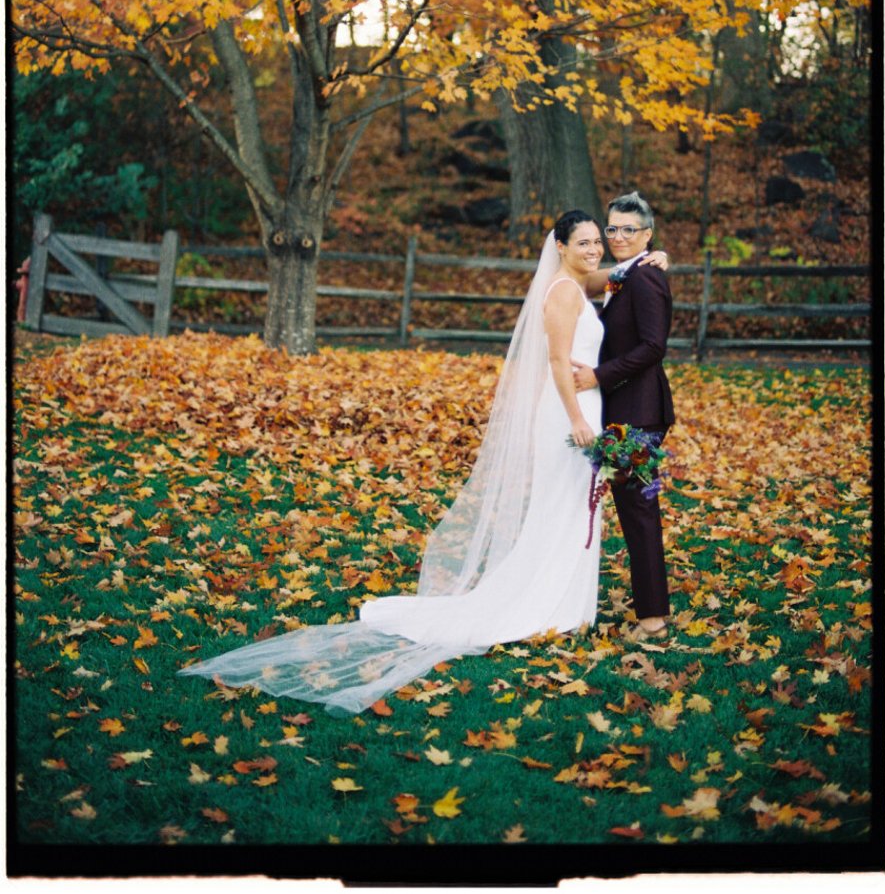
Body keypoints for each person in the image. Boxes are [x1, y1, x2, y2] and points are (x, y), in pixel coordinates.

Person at [178, 211, 668, 714]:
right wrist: (576, 420)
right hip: (572, 412)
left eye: (598, 241)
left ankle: (567, 601)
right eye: (584, 241)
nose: (595, 248)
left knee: (573, 509)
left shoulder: (577, 279)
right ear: (560, 246)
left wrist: (650, 259)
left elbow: (613, 275)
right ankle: (549, 603)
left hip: (586, 406)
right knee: (562, 508)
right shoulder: (564, 293)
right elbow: (556, 364)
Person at [573, 192, 674, 642]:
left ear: (647, 235)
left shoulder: (646, 279)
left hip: (639, 412)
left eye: (628, 229)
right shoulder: (626, 274)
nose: (617, 236)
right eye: (612, 228)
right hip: (624, 410)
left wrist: (598, 376)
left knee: (639, 512)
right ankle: (650, 611)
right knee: (636, 508)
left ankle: (653, 619)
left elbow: (653, 347)